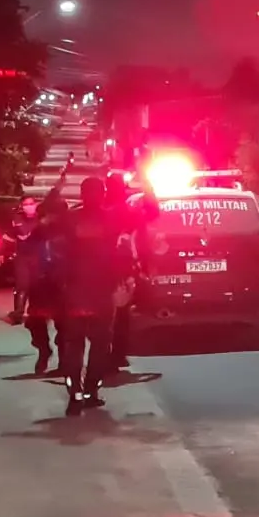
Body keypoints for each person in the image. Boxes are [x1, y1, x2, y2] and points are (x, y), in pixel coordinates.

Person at [57, 176, 125, 416]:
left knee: (73, 344)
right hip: (100, 293)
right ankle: (90, 392)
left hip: (75, 293)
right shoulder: (112, 218)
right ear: (103, 194)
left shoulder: (69, 219)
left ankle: (75, 394)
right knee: (100, 345)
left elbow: (57, 250)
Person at [105, 170, 158, 373]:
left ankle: (113, 353)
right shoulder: (128, 211)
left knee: (116, 314)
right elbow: (151, 214)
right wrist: (148, 188)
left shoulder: (104, 209)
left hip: (108, 270)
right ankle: (116, 354)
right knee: (121, 315)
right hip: (119, 270)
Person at [21, 191, 68, 374]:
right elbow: (26, 252)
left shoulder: (69, 231)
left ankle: (64, 363)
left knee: (64, 324)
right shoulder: (39, 231)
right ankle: (44, 350)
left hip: (62, 283)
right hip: (41, 283)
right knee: (35, 321)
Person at [9, 196, 40, 322]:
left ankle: (37, 313)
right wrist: (2, 253)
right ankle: (18, 313)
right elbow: (9, 236)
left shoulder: (41, 219)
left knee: (38, 286)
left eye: (31, 204)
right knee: (22, 285)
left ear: (36, 204)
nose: (29, 207)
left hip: (39, 257)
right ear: (22, 206)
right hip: (22, 257)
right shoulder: (17, 220)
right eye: (26, 204)